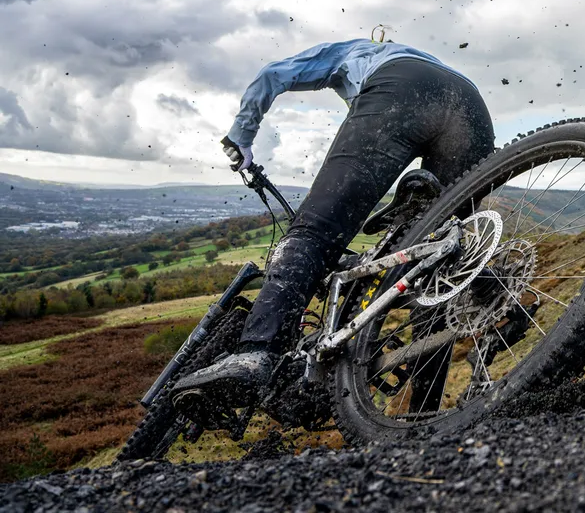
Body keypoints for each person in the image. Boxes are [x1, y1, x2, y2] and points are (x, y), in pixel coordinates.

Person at [172, 37, 494, 418]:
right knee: (438, 271)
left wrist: (240, 138)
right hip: (474, 111)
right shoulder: (430, 58)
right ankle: (422, 412)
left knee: (315, 231)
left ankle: (256, 351)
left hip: (403, 87)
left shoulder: (359, 51)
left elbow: (273, 74)